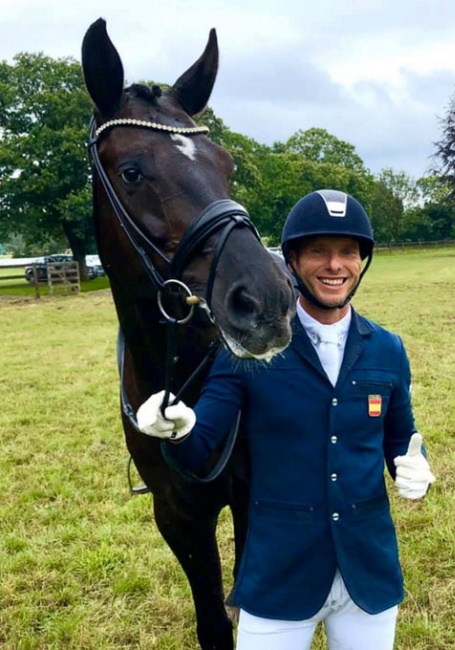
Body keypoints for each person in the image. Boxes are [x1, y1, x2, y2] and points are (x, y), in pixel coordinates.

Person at [137, 189, 436, 650]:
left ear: (362, 262)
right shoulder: (249, 353)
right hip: (279, 574)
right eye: (319, 251)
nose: (335, 265)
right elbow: (201, 451)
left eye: (348, 252)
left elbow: (401, 437)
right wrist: (178, 429)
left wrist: (412, 463)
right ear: (292, 260)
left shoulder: (387, 348)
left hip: (368, 573)